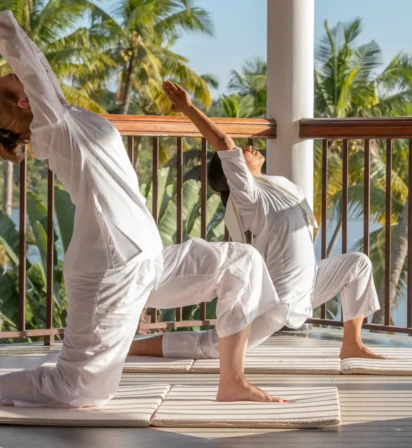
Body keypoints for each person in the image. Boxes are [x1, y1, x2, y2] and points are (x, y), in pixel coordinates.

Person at [0, 0, 287, 407]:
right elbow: (22, 53)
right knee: (79, 390)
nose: (22, 72)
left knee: (241, 264)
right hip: (110, 268)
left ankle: (232, 382)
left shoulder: (65, 115)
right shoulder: (54, 126)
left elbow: (35, 61)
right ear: (25, 101)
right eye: (15, 78)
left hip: (147, 259)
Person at [130, 81, 383, 361]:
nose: (250, 147)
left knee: (358, 264)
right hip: (278, 299)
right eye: (243, 152)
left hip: (309, 283)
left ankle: (352, 344)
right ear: (233, 171)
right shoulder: (249, 197)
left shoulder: (279, 184)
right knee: (214, 346)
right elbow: (224, 143)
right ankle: (130, 347)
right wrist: (189, 108)